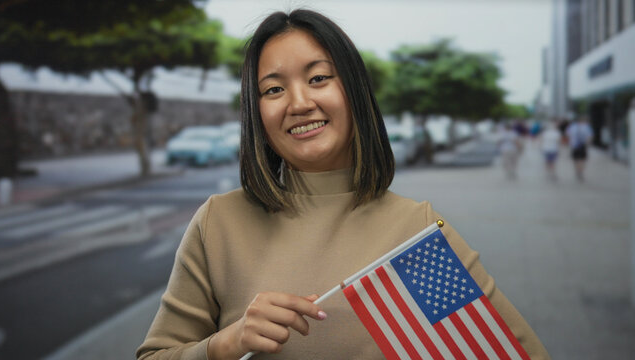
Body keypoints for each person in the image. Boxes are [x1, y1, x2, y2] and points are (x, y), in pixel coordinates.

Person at [136, 9, 550, 360]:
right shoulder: (219, 223)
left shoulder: (413, 230)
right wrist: (223, 344)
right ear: (256, 113)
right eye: (274, 89)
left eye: (318, 79)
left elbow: (507, 348)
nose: (299, 103)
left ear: (354, 92)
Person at [566, 116, 593, 181]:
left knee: (576, 159)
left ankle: (578, 171)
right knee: (582, 159)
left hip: (574, 145)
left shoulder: (572, 127)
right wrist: (587, 144)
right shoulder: (587, 127)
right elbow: (590, 136)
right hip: (582, 145)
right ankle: (580, 171)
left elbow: (567, 135)